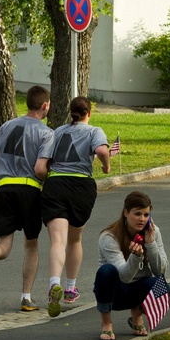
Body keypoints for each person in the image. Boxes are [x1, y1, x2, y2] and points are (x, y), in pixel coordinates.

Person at [0, 85, 53, 312]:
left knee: (3, 247)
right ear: (45, 106)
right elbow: (39, 169)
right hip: (29, 190)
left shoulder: (6, 126)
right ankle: (26, 297)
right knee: (31, 245)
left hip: (4, 188)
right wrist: (48, 178)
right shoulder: (46, 133)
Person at [35, 96, 111, 318]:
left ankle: (53, 285)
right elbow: (102, 151)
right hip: (81, 185)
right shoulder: (94, 130)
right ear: (89, 112)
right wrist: (106, 167)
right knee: (74, 239)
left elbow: (43, 163)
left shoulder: (57, 132)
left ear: (71, 112)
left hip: (56, 183)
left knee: (57, 240)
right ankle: (70, 288)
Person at [93, 191, 167, 340]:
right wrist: (136, 256)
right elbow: (124, 277)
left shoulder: (153, 231)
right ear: (126, 213)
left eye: (146, 215)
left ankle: (136, 316)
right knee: (106, 271)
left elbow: (160, 270)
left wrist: (150, 243)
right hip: (115, 292)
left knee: (162, 286)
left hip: (137, 290)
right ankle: (106, 323)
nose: (142, 219)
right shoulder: (109, 237)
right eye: (137, 214)